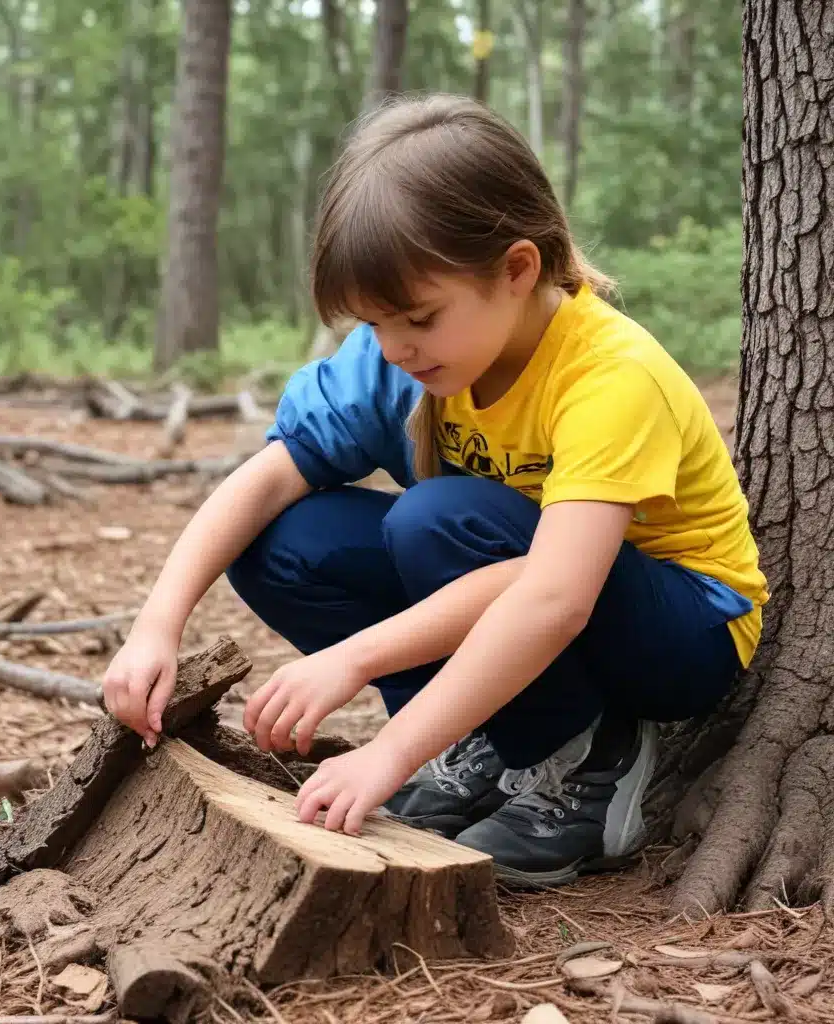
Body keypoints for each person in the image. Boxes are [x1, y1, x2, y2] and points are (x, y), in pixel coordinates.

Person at [102, 94, 768, 889]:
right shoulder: (405, 355)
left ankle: (581, 758)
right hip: (525, 585)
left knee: (437, 521)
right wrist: (156, 625)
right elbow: (268, 477)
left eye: (417, 317)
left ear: (518, 269)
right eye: (374, 323)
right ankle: (483, 734)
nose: (393, 348)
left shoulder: (608, 376)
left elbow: (556, 595)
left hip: (677, 629)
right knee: (284, 543)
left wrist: (377, 726)